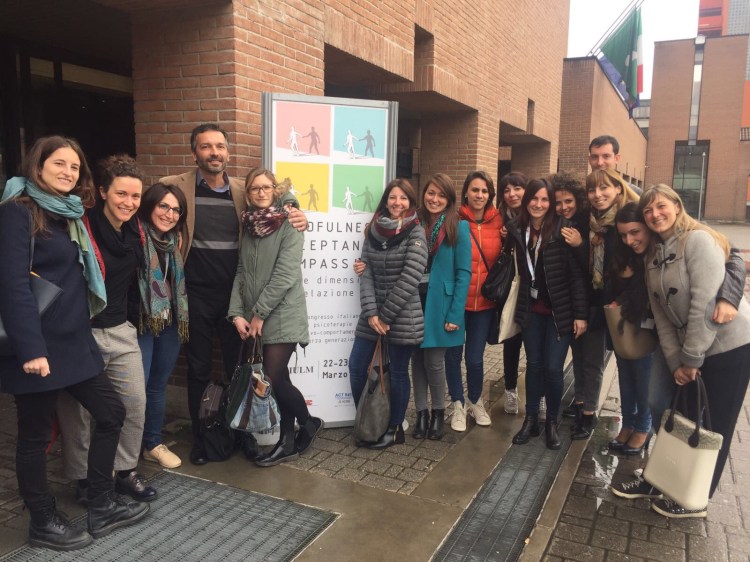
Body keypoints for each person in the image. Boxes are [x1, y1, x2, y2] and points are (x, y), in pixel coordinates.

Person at [0, 137, 148, 550]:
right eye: (59, 164)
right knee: (34, 437)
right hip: (38, 347)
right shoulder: (17, 212)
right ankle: (43, 521)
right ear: (38, 166)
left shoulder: (68, 213)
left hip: (74, 342)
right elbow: (13, 286)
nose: (68, 172)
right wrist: (31, 349)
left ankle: (101, 503)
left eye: (74, 166)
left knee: (112, 413)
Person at [160, 123, 307, 465]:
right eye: (206, 146)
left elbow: (278, 194)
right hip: (195, 294)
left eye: (220, 146)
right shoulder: (176, 186)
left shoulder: (243, 189)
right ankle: (202, 438)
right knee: (198, 369)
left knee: (240, 368)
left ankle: (244, 436)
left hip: (236, 297)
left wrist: (296, 208)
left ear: (228, 151)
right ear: (194, 153)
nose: (214, 152)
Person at [615, 185, 750, 519]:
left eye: (661, 206)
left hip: (728, 346)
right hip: (690, 348)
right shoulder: (654, 255)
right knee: (677, 415)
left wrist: (690, 359)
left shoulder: (698, 240)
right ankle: (662, 479)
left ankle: (696, 498)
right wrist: (678, 361)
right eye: (648, 210)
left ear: (677, 206)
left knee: (714, 425)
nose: (655, 215)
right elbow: (663, 316)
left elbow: (705, 304)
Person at [57, 155, 157, 503]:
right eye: (121, 194)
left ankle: (124, 472)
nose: (129, 202)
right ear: (102, 192)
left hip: (120, 330)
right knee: (79, 414)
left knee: (134, 403)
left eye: (135, 196)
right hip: (81, 333)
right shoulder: (80, 227)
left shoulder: (136, 230)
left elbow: (173, 222)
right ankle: (84, 480)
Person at [228, 168, 323, 466]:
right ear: (247, 193)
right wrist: (236, 313)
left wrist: (258, 314)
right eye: (254, 188)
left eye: (266, 187)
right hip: (258, 315)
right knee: (280, 377)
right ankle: (289, 440)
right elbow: (241, 272)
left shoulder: (289, 222)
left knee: (271, 376)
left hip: (283, 314)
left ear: (275, 189)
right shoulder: (249, 226)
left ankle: (308, 423)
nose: (260, 192)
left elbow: (285, 275)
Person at [505, 179, 588, 450]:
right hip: (531, 311)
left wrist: (580, 315)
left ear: (551, 203)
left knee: (553, 368)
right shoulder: (517, 228)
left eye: (544, 200)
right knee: (534, 365)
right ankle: (531, 419)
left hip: (558, 313)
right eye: (534, 198)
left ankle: (551, 421)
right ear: (527, 200)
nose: (538, 204)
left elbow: (576, 277)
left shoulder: (564, 230)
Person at [348, 179, 428, 449]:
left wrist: (384, 317)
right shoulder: (373, 231)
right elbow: (366, 271)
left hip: (403, 316)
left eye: (404, 198)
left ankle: (394, 429)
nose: (397, 203)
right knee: (356, 367)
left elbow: (410, 278)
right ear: (386, 201)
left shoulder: (416, 232)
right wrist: (372, 313)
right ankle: (369, 420)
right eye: (393, 197)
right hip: (372, 316)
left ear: (411, 202)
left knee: (398, 373)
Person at [569, 168, 639, 441]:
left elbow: (624, 266)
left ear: (618, 189)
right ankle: (579, 402)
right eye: (592, 190)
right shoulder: (587, 221)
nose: (597, 195)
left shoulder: (622, 223)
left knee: (593, 361)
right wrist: (580, 246)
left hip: (607, 303)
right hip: (584, 299)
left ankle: (589, 413)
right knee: (578, 356)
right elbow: (582, 266)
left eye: (604, 188)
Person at [411, 174, 471, 440]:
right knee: (416, 360)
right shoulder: (414, 222)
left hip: (442, 304)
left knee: (434, 361)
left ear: (449, 199)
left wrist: (456, 313)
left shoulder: (459, 227)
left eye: (441, 195)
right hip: (414, 300)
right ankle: (421, 414)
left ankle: (437, 413)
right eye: (430, 193)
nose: (434, 199)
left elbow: (464, 273)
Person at [135, 182, 189, 469]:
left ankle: (152, 443)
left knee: (157, 384)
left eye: (176, 210)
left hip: (170, 320)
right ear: (150, 206)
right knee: (135, 388)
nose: (169, 214)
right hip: (140, 320)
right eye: (163, 206)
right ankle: (122, 450)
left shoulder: (175, 241)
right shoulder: (134, 234)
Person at [444, 171, 502, 432]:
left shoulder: (500, 222)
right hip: (457, 302)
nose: (479, 195)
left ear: (490, 195)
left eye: (484, 191)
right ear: (466, 192)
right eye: (475, 190)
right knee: (453, 355)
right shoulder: (454, 220)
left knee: (475, 359)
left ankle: (475, 401)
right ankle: (457, 403)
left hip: (485, 304)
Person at [606, 202, 654, 454]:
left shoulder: (655, 251)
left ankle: (644, 427)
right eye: (624, 234)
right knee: (625, 377)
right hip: (625, 326)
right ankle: (628, 423)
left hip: (649, 328)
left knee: (644, 379)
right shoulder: (622, 252)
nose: (629, 240)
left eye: (635, 232)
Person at [497, 172, 528, 415]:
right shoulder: (500, 219)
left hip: (533, 291)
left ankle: (537, 394)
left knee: (534, 345)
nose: (512, 194)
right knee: (511, 341)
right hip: (510, 288)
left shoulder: (536, 215)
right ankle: (510, 391)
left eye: (517, 188)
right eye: (506, 190)